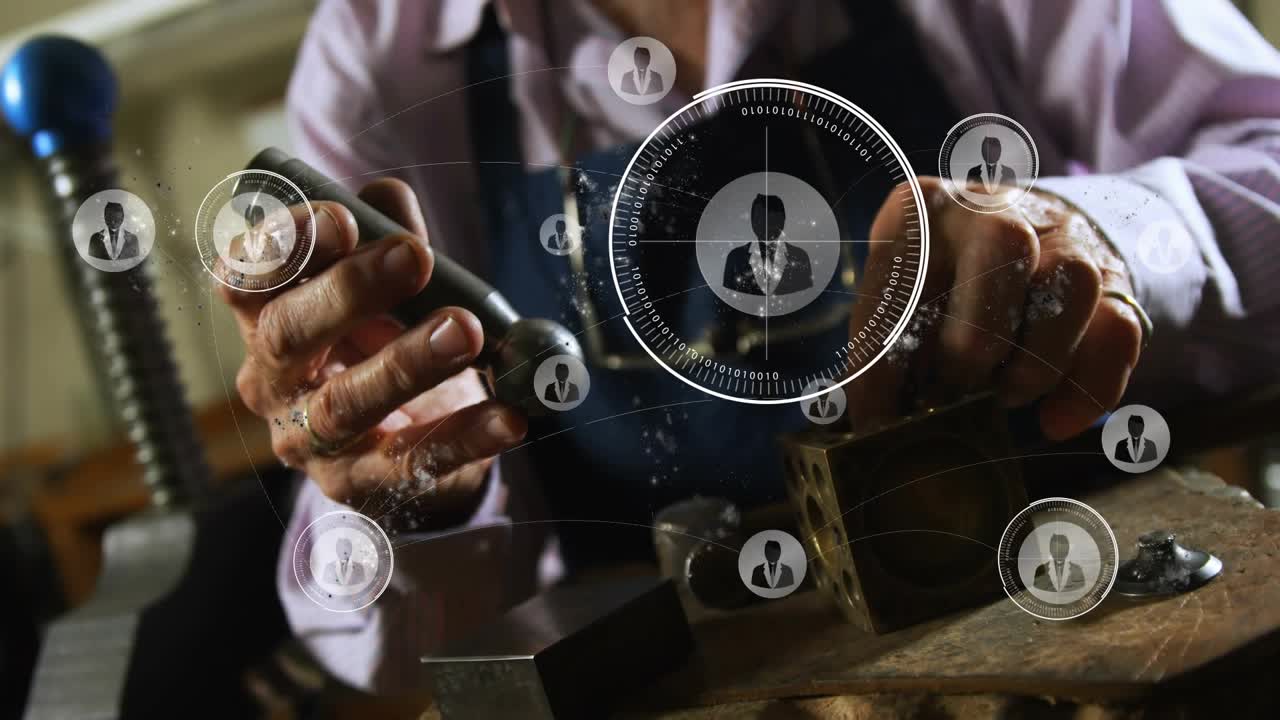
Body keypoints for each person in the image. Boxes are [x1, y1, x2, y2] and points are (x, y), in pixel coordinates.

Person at [216, 0, 1280, 691]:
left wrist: (1110, 237)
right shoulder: (378, 51)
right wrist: (414, 490)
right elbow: (392, 655)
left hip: (1083, 631)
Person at [722, 194, 814, 296]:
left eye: (772, 218)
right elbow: (728, 296)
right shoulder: (735, 257)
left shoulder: (800, 256)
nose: (766, 223)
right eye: (760, 218)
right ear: (752, 221)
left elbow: (806, 296)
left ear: (783, 221)